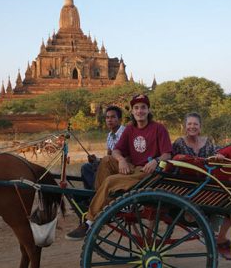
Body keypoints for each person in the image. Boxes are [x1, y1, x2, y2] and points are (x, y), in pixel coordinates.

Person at [66, 94, 172, 240]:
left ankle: (89, 221)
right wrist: (121, 159)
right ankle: (102, 203)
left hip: (148, 172)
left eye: (143, 107)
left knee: (110, 181)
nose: (140, 111)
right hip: (132, 167)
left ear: (148, 110)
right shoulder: (129, 129)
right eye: (136, 108)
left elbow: (168, 154)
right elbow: (116, 150)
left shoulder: (158, 128)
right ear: (132, 112)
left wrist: (155, 161)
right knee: (107, 160)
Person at [172, 112, 231, 262]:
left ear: (200, 127)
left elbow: (220, 153)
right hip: (188, 189)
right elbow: (172, 164)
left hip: (208, 186)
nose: (192, 127)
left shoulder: (208, 142)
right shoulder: (179, 143)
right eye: (189, 124)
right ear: (185, 126)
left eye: (195, 124)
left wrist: (219, 157)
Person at [80, 105, 125, 190]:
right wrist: (97, 160)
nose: (109, 120)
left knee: (96, 174)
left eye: (112, 117)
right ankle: (91, 194)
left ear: (120, 120)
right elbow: (108, 156)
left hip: (122, 166)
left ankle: (97, 192)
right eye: (107, 117)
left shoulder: (125, 133)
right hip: (109, 164)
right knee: (85, 168)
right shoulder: (109, 136)